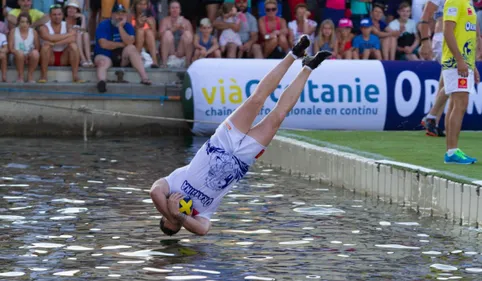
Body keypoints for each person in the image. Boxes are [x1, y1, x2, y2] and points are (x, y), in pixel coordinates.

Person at [149, 35, 332, 236]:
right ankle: (308, 67)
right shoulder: (201, 212)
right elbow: (202, 230)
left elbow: (154, 192)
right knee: (278, 116)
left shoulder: (171, 184)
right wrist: (182, 217)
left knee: (256, 100)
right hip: (242, 158)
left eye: (169, 217)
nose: (175, 216)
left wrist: (171, 211)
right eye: (177, 223)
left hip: (222, 141)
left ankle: (294, 54)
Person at [441, 0, 478, 164]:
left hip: (464, 62)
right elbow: (447, 30)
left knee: (455, 104)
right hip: (456, 62)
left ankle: (451, 151)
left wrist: (472, 65)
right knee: (460, 103)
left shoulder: (468, 3)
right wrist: (459, 59)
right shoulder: (455, 1)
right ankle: (452, 151)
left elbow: (467, 35)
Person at [94, 3, 152, 93]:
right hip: (106, 54)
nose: (120, 16)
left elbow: (130, 42)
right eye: (117, 14)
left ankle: (144, 78)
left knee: (131, 48)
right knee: (102, 63)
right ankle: (102, 82)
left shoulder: (127, 26)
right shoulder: (103, 24)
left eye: (122, 14)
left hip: (122, 57)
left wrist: (120, 27)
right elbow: (103, 44)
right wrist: (122, 44)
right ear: (112, 14)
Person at [38, 4, 82, 83]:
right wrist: (68, 35)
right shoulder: (43, 27)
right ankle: (44, 76)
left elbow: (73, 38)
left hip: (64, 57)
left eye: (59, 14)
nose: (57, 17)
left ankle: (75, 76)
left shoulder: (67, 25)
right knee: (45, 47)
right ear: (50, 16)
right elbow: (49, 38)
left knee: (73, 45)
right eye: (54, 14)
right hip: (49, 57)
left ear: (62, 15)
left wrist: (54, 43)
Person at [158, 0, 193, 68]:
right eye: (172, 8)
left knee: (187, 34)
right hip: (170, 50)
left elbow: (192, 39)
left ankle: (188, 63)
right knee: (167, 33)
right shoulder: (165, 20)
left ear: (180, 10)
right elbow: (159, 36)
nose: (175, 10)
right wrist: (173, 29)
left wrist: (183, 30)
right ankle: (164, 63)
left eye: (177, 8)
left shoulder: (186, 22)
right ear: (169, 10)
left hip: (181, 50)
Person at [9, 12, 40, 83]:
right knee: (20, 53)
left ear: (29, 23)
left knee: (35, 53)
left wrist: (28, 54)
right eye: (22, 22)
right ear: (18, 22)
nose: (25, 24)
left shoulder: (33, 32)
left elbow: (37, 48)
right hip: (16, 56)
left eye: (27, 22)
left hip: (30, 56)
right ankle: (20, 76)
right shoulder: (13, 31)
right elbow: (11, 49)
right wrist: (21, 54)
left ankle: (30, 75)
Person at [129, 0, 159, 68]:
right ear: (135, 5)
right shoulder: (130, 18)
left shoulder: (151, 19)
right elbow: (129, 35)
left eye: (144, 4)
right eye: (140, 4)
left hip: (147, 46)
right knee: (140, 31)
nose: (142, 7)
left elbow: (155, 37)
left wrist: (152, 27)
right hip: (135, 45)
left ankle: (155, 61)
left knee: (149, 32)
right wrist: (137, 26)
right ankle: (136, 59)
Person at [64, 0, 93, 67]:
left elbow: (84, 30)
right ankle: (82, 59)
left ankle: (88, 59)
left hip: (78, 41)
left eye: (74, 8)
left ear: (77, 10)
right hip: (68, 42)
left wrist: (83, 17)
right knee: (78, 34)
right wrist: (77, 30)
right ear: (66, 9)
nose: (71, 10)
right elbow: (69, 31)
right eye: (69, 8)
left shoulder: (78, 19)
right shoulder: (63, 18)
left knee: (85, 34)